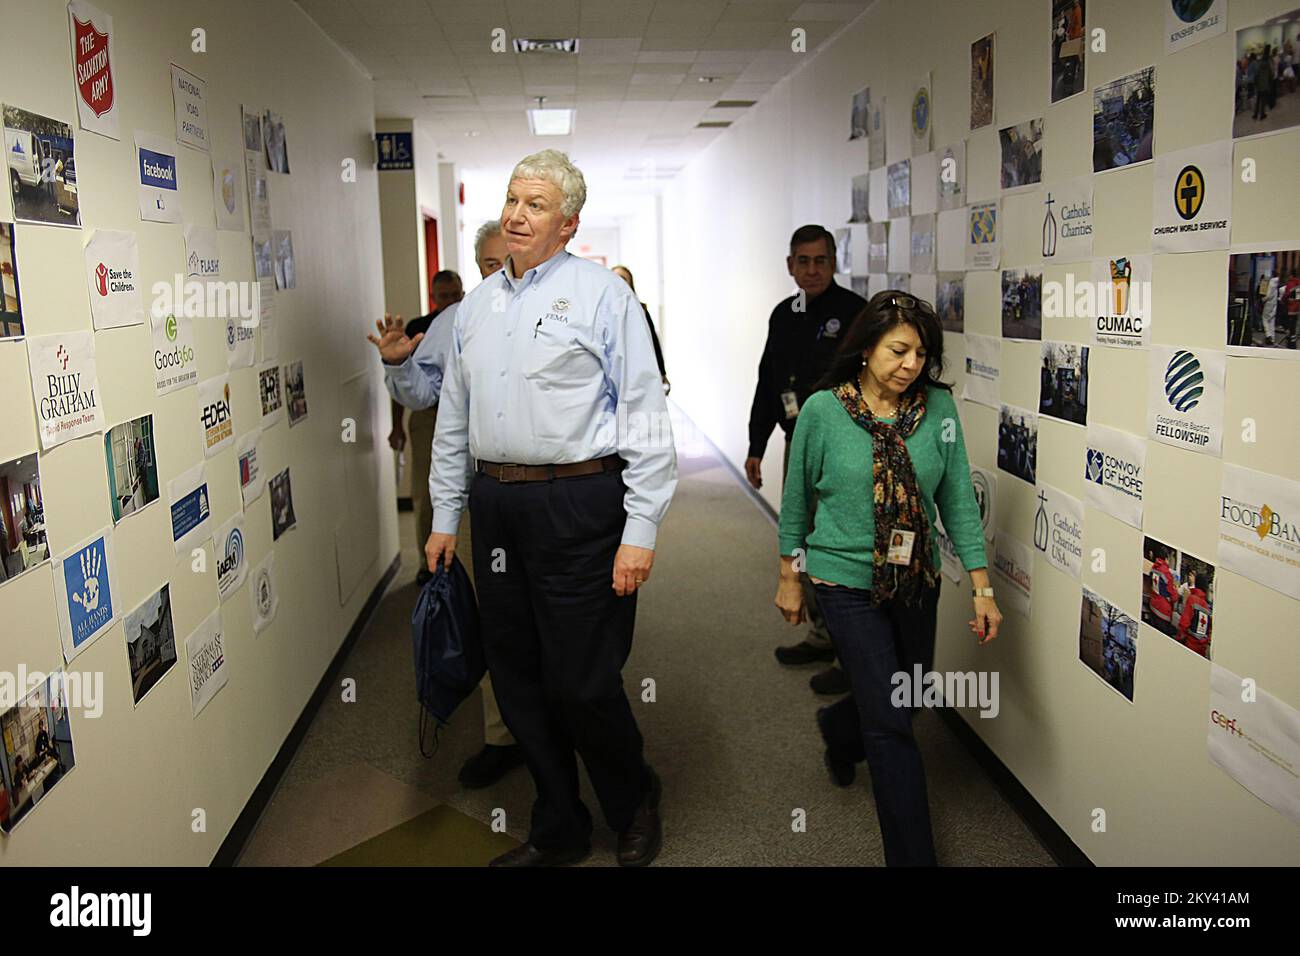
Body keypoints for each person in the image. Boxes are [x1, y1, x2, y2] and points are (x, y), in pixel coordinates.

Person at [425, 149, 677, 867]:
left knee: (583, 678)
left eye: (535, 204)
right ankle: (558, 825)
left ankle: (632, 799)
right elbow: (452, 419)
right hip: (496, 505)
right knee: (516, 674)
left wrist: (642, 529)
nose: (515, 214)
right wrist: (447, 516)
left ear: (567, 224)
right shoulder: (475, 308)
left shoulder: (604, 297)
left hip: (580, 504)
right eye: (511, 199)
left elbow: (645, 416)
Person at [774, 290, 1001, 866]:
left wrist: (982, 587)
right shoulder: (823, 411)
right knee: (891, 726)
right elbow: (797, 499)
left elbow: (956, 499)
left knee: (912, 691)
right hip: (842, 580)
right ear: (867, 344)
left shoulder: (938, 410)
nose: (910, 365)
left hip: (914, 576)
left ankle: (837, 725)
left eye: (921, 355)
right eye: (899, 350)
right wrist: (789, 575)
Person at [369, 224, 524, 791]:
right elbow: (423, 392)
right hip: (484, 492)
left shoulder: (567, 311)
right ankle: (505, 736)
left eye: (508, 260)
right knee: (490, 613)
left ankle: (562, 726)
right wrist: (396, 366)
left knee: (555, 619)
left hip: (553, 498)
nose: (498, 273)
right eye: (488, 263)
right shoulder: (457, 321)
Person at [748, 225, 866, 692]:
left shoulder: (855, 313)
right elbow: (767, 381)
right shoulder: (784, 315)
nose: (812, 269)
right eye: (803, 261)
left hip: (845, 446)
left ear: (833, 262)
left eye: (820, 260)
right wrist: (756, 444)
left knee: (838, 548)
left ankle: (849, 655)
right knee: (800, 539)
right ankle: (822, 634)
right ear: (790, 265)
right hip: (798, 443)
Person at [386, 269, 464, 584]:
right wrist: (397, 426)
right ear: (433, 297)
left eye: (454, 295)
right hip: (429, 416)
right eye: (443, 295)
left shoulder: (471, 317)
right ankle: (426, 561)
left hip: (465, 415)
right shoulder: (419, 329)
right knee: (425, 489)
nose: (449, 301)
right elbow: (408, 387)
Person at [611, 265, 669, 394]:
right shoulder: (603, 311)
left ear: (630, 283)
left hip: (636, 371)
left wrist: (662, 372)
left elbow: (652, 341)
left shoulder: (640, 309)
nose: (618, 281)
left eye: (623, 278)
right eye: (614, 277)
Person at [1177, 571, 1212, 658]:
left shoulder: (1192, 599)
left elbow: (1184, 623)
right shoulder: (1207, 607)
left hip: (1189, 645)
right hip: (1201, 649)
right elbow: (1209, 631)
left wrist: (1179, 638)